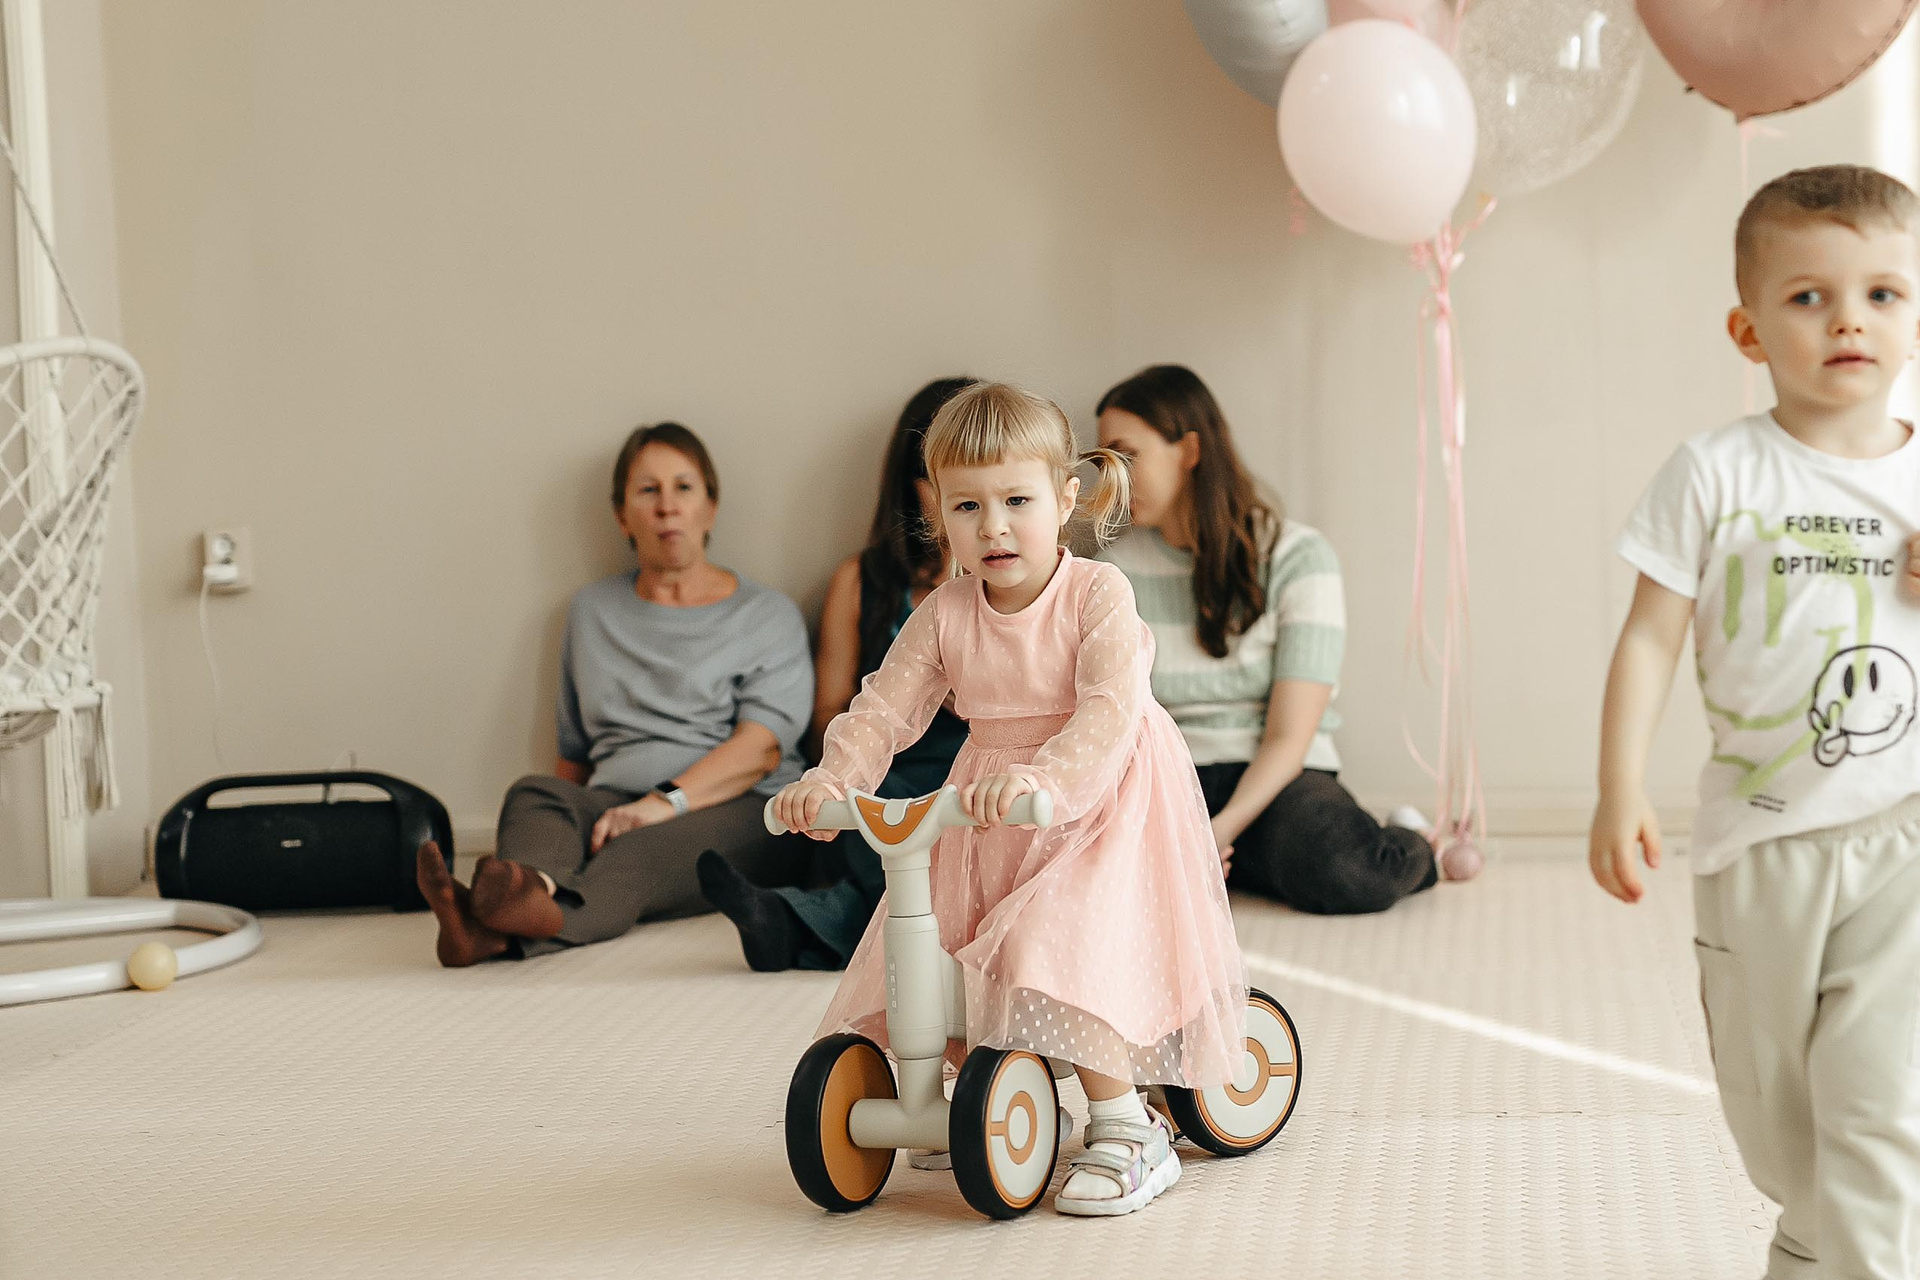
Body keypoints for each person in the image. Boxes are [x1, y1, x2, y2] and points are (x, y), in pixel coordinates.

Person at [770, 382, 1246, 1217]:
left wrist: (1045, 781)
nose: (992, 527)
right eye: (968, 506)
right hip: (993, 803)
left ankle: (1126, 1126)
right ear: (939, 514)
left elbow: (1109, 710)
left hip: (1099, 795)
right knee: (944, 944)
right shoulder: (945, 611)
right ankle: (954, 1098)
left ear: (1065, 499)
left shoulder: (1096, 592)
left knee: (1048, 941)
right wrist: (832, 779)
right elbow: (883, 708)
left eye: (1016, 501)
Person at [1594, 164, 1920, 1280]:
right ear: (1748, 329)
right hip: (1758, 843)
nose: (1849, 320)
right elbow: (1650, 638)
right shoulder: (1714, 473)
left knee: (1878, 1110)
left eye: (1882, 294)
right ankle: (1813, 1244)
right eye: (1809, 296)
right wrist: (1621, 787)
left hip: (1903, 834)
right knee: (1781, 1128)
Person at [417, 422, 813, 966]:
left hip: (745, 808)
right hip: (617, 800)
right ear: (622, 516)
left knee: (636, 849)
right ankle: (525, 890)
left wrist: (661, 804)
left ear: (710, 508)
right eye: (648, 490)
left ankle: (495, 930)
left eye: (684, 487)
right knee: (535, 794)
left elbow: (760, 751)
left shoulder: (766, 614)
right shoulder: (591, 611)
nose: (667, 507)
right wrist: (561, 832)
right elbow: (575, 753)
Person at [1094, 364, 1437, 914]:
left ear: (1189, 450)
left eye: (1126, 456)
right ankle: (1251, 864)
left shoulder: (1299, 558)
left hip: (1277, 778)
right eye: (1103, 463)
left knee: (1352, 873)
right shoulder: (1112, 572)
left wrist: (1217, 830)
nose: (1112, 480)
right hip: (1168, 776)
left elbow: (1288, 737)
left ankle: (1413, 839)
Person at [698, 378, 975, 970]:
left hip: (973, 769)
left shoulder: (1016, 585)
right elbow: (827, 714)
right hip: (888, 768)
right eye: (939, 481)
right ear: (909, 487)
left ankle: (795, 922)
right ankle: (808, 921)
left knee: (961, 828)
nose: (961, 500)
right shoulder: (861, 581)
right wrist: (882, 726)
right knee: (875, 811)